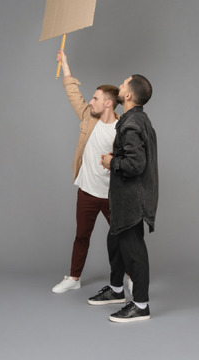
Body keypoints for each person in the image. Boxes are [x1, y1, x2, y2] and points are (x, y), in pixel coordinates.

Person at [88, 74, 158, 322]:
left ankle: (140, 305)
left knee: (133, 250)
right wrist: (116, 157)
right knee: (115, 242)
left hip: (131, 201)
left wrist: (111, 161)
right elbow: (134, 156)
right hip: (125, 200)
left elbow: (135, 164)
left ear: (128, 96)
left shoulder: (130, 124)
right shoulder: (137, 119)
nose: (120, 86)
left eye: (124, 84)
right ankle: (117, 290)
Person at [52, 50, 120, 293]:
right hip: (87, 192)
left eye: (95, 98)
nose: (90, 101)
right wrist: (66, 65)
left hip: (113, 195)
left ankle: (132, 277)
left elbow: (131, 161)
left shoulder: (123, 129)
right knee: (81, 236)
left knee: (124, 239)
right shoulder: (88, 118)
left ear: (108, 103)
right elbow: (73, 94)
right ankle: (74, 278)